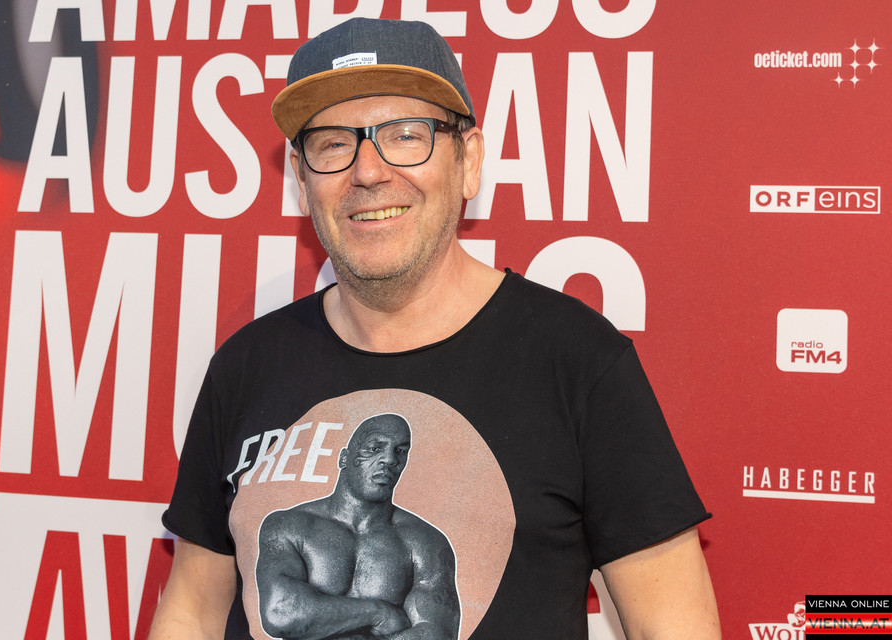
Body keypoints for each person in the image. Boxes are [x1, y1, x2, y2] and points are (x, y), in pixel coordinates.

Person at [150, 17, 720, 640]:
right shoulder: (246, 367)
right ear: (302, 178)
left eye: (405, 135)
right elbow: (192, 612)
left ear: (468, 161)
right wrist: (378, 614)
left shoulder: (577, 362)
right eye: (333, 144)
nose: (368, 172)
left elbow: (675, 627)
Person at [255, 414, 459, 640]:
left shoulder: (425, 542)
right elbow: (281, 613)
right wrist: (379, 613)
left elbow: (436, 634)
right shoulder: (288, 527)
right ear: (344, 458)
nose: (389, 459)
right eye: (375, 448)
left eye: (400, 451)